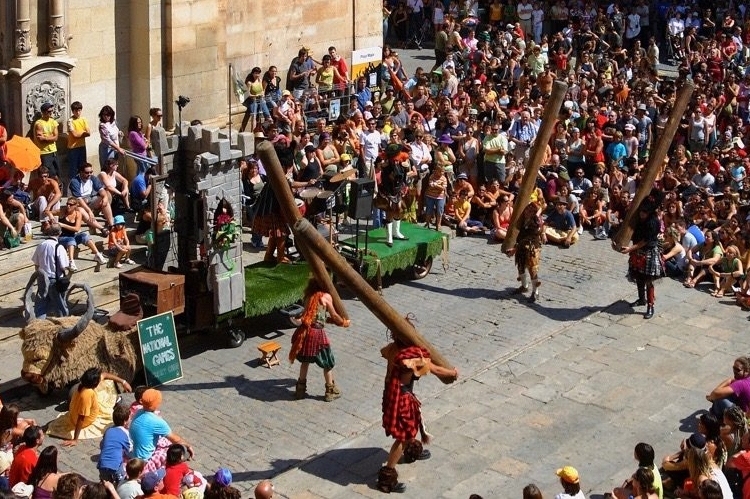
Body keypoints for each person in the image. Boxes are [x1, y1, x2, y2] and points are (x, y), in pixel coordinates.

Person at [378, 328, 458, 494]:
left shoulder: (392, 349)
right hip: (402, 398)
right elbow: (437, 370)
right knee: (403, 436)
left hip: (391, 394)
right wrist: (453, 372)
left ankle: (411, 451)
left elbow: (383, 351)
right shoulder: (411, 358)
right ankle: (387, 477)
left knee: (411, 424)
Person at [290, 277, 350, 401]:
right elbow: (333, 315)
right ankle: (330, 391)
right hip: (317, 333)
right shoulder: (326, 297)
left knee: (305, 362)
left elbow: (320, 317)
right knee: (327, 362)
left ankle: (300, 390)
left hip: (306, 332)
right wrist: (343, 322)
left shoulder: (308, 296)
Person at [47, 366, 132, 446]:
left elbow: (105, 375)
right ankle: (115, 400)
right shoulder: (87, 395)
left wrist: (123, 382)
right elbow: (81, 418)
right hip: (84, 420)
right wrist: (75, 439)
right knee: (106, 385)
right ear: (94, 383)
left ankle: (114, 400)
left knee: (107, 381)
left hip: (79, 411)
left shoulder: (83, 385)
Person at [129, 389, 194, 473]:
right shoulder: (156, 421)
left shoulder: (138, 413)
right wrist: (188, 446)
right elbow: (175, 440)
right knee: (182, 449)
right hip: (146, 459)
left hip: (135, 453)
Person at [620, 196, 664, 319]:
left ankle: (651, 306)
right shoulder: (638, 219)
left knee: (648, 280)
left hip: (649, 250)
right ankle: (641, 299)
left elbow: (645, 241)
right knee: (638, 275)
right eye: (641, 211)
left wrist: (630, 249)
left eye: (645, 212)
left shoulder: (654, 222)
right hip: (637, 250)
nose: (642, 214)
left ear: (650, 212)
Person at [506, 201, 546, 302]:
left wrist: (515, 249)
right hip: (521, 246)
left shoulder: (535, 221)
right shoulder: (523, 220)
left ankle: (535, 292)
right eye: (527, 209)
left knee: (532, 270)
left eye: (531, 210)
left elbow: (528, 238)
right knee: (520, 267)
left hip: (532, 247)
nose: (528, 211)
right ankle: (524, 286)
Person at [56, 198, 108, 271]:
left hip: (72, 235)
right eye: (67, 204)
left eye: (70, 204)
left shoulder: (78, 214)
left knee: (85, 236)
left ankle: (97, 254)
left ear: (75, 206)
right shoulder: (62, 211)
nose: (68, 206)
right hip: (62, 236)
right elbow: (48, 212)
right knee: (71, 240)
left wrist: (62, 225)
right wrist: (51, 217)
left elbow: (77, 229)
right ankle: (71, 262)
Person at [30, 223, 69, 319]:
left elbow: (36, 263)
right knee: (59, 305)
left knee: (41, 305)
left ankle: (39, 325)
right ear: (59, 233)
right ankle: (63, 325)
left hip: (42, 278)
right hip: (54, 280)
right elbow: (64, 266)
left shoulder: (41, 245)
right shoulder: (59, 247)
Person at [69, 163, 115, 236]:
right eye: (87, 173)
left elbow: (102, 190)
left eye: (91, 172)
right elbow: (79, 200)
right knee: (82, 208)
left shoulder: (93, 178)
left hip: (90, 200)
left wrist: (105, 198)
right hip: (77, 204)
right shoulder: (75, 182)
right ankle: (102, 228)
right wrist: (89, 211)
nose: (89, 174)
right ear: (81, 172)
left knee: (106, 196)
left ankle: (111, 225)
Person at [97, 403, 132, 484]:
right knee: (121, 483)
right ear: (125, 421)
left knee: (105, 484)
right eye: (129, 418)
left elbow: (102, 444)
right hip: (116, 465)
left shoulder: (108, 430)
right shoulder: (125, 433)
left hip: (102, 463)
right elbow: (130, 450)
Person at [34, 103, 60, 181]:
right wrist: (50, 137)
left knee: (57, 173)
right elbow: (40, 140)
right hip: (44, 153)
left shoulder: (53, 122)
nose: (51, 113)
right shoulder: (39, 123)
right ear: (43, 112)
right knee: (49, 175)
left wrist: (45, 137)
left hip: (54, 151)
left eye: (52, 111)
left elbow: (56, 137)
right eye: (49, 111)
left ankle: (57, 189)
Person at [66, 101, 91, 182]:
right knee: (73, 170)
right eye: (76, 110)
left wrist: (80, 134)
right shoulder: (70, 121)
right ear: (73, 111)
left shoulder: (83, 119)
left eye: (79, 110)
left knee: (83, 168)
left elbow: (88, 133)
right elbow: (74, 135)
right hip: (73, 148)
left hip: (82, 147)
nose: (78, 112)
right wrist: (83, 133)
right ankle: (72, 187)